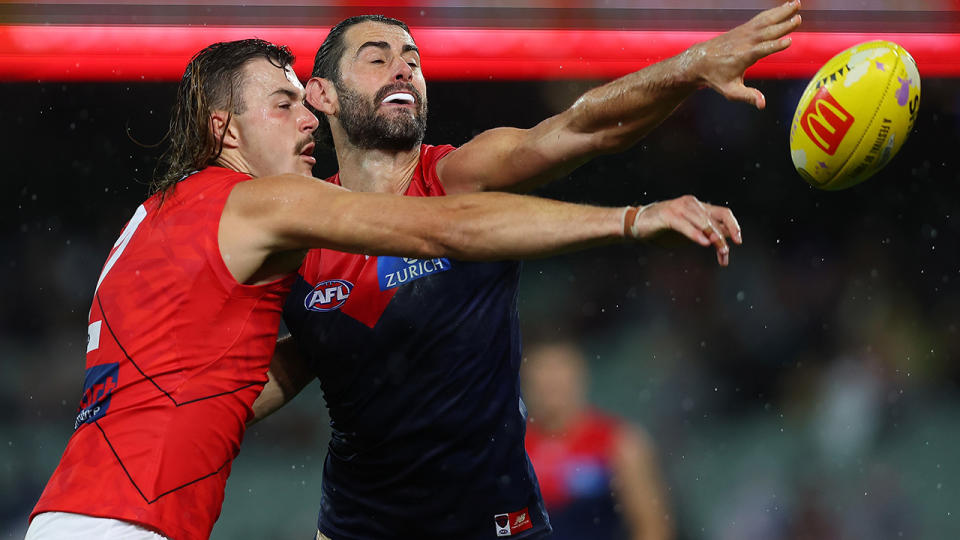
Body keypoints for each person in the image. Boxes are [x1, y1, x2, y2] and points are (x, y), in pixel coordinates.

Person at [25, 39, 739, 540]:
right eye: (282, 104)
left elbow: (225, 386)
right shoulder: (259, 205)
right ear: (225, 129)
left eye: (414, 59)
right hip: (130, 523)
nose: (304, 117)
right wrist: (632, 219)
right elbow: (444, 232)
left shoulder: (161, 217)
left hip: (81, 510)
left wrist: (685, 70)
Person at [254, 3, 799, 539]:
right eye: (377, 59)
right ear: (321, 93)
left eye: (412, 60)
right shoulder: (301, 227)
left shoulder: (457, 175)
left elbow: (584, 127)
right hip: (356, 528)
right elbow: (286, 362)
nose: (403, 69)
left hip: (493, 525)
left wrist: (691, 66)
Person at [522, 341, 673, 540]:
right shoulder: (512, 450)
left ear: (579, 380)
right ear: (527, 385)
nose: (550, 388)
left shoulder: (618, 442)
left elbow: (652, 526)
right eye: (542, 380)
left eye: (558, 380)